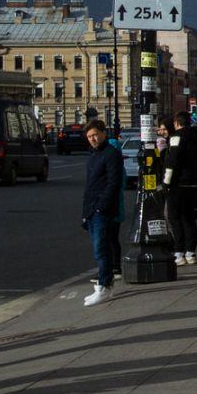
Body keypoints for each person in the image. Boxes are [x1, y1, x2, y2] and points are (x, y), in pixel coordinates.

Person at [80, 120, 124, 307]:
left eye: (95, 135)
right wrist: (86, 212)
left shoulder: (111, 154)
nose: (93, 139)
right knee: (99, 248)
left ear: (104, 133)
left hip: (102, 209)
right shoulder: (93, 155)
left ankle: (104, 286)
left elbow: (114, 183)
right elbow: (90, 186)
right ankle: (105, 285)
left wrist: (101, 206)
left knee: (101, 248)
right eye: (90, 137)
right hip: (92, 209)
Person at [164, 110, 197, 265]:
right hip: (193, 182)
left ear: (177, 123)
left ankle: (179, 252)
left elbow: (172, 161)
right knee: (189, 217)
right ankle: (191, 252)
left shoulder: (177, 137)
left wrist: (166, 182)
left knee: (175, 218)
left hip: (178, 183)